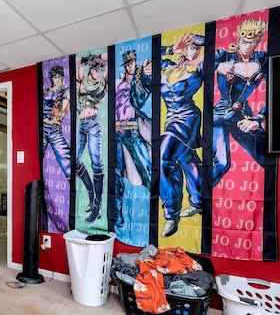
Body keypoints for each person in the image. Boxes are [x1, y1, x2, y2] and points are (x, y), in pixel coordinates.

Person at [213, 18, 269, 186]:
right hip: (219, 116)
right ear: (238, 40)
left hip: (244, 116)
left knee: (268, 158)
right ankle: (198, 199)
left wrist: (258, 118)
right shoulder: (223, 55)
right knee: (221, 164)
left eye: (251, 42)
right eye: (244, 41)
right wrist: (216, 66)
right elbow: (194, 64)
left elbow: (275, 94)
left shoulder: (263, 60)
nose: (247, 46)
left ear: (258, 42)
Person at [159, 33, 205, 237]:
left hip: (187, 119)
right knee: (187, 159)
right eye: (191, 46)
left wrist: (199, 58)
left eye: (198, 48)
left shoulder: (199, 68)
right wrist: (172, 49)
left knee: (164, 158)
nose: (194, 50)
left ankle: (171, 215)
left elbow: (219, 54)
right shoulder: (168, 65)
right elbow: (149, 61)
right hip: (170, 119)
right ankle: (198, 201)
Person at [115, 50, 152, 227]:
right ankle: (118, 215)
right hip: (117, 131)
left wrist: (142, 73)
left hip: (133, 130)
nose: (130, 66)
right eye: (128, 64)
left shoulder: (140, 81)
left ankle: (155, 212)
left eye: (132, 63)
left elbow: (141, 96)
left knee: (145, 168)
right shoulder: (120, 83)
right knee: (116, 174)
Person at [75, 53, 108, 223]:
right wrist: (87, 59)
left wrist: (98, 57)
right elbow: (76, 63)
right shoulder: (82, 78)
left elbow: (109, 57)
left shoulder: (103, 82)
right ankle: (91, 196)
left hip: (94, 124)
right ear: (92, 69)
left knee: (97, 164)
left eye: (102, 70)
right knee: (73, 160)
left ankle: (97, 207)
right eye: (97, 70)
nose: (100, 73)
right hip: (82, 125)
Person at [42, 65, 71, 180]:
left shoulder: (65, 91)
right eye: (55, 77)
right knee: (36, 160)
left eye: (60, 77)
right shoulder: (45, 91)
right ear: (52, 79)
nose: (58, 79)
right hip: (43, 127)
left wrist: (60, 93)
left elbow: (61, 112)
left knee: (67, 163)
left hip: (55, 129)